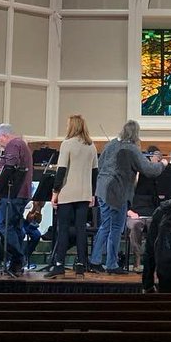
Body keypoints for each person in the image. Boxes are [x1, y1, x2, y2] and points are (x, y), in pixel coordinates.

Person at [91, 119, 165, 274]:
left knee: (105, 225)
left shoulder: (110, 144)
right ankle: (111, 264)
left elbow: (101, 164)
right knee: (116, 227)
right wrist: (162, 164)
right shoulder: (131, 149)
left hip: (102, 189)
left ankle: (95, 261)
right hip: (117, 192)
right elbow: (149, 170)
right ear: (135, 134)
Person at [46, 114, 97, 278]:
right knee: (81, 229)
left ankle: (59, 264)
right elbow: (95, 172)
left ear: (72, 126)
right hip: (84, 193)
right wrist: (93, 193)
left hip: (67, 193)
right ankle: (81, 264)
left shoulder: (67, 144)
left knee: (63, 229)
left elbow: (61, 170)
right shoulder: (91, 146)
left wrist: (55, 192)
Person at [0, 123, 32, 277]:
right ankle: (17, 263)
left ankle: (18, 257)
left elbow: (11, 165)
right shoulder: (22, 144)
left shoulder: (13, 144)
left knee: (2, 224)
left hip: (13, 193)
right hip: (22, 193)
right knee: (14, 227)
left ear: (4, 135)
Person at [126, 146, 166, 271]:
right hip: (134, 212)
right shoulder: (136, 173)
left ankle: (155, 261)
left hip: (152, 212)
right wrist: (129, 211)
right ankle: (137, 261)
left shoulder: (159, 177)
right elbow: (124, 198)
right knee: (136, 225)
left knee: (157, 225)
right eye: (155, 158)